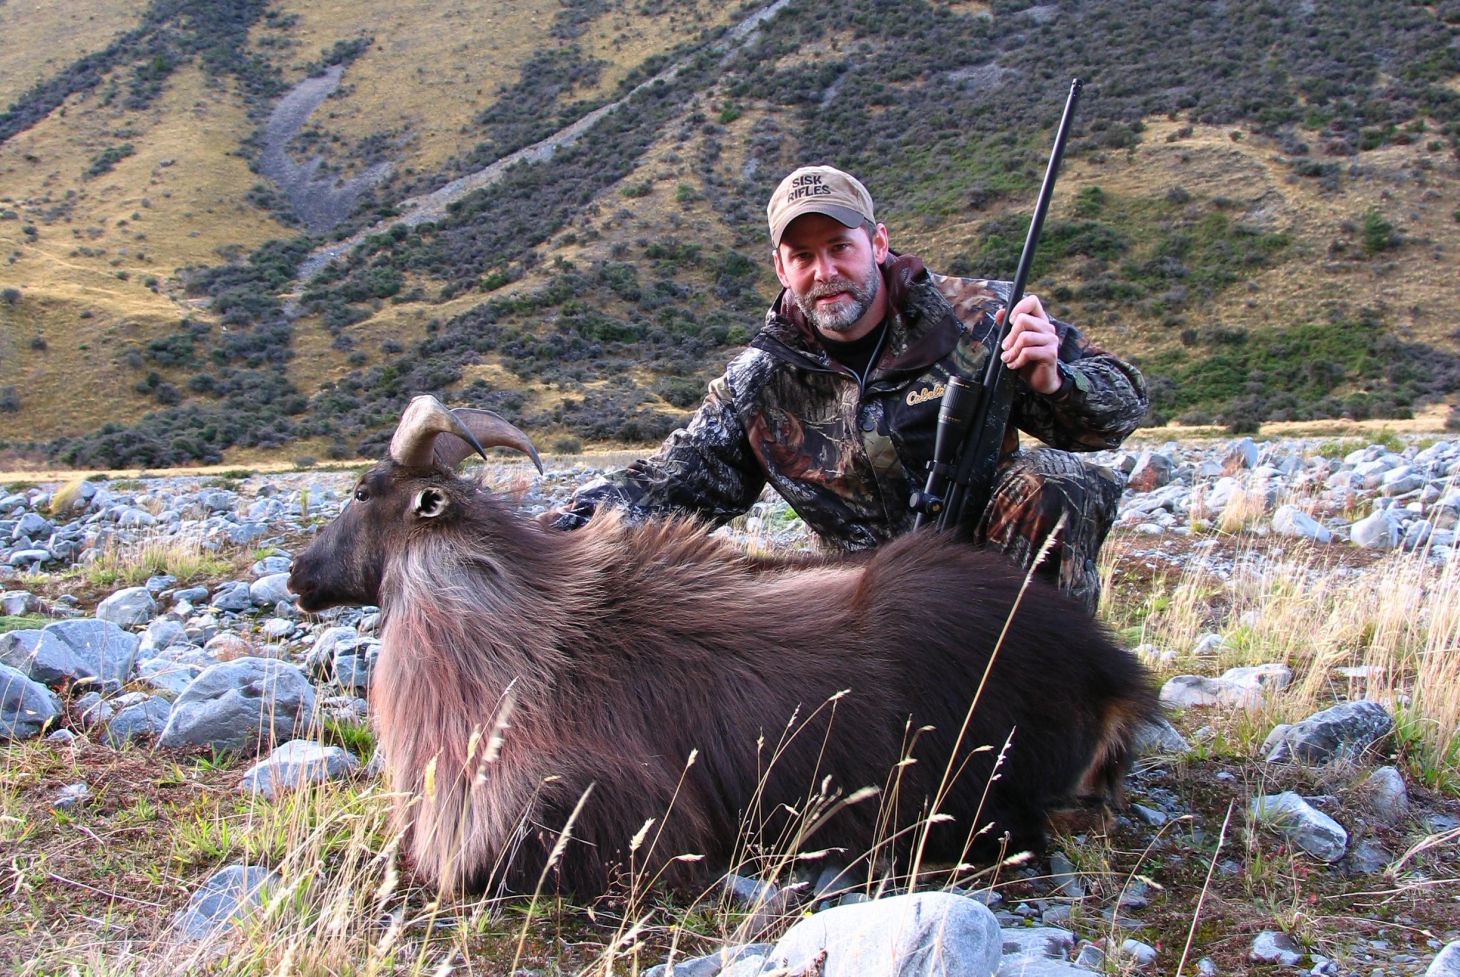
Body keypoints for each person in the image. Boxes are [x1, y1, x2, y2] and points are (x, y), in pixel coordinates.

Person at [550, 164, 1147, 613]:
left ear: (878, 244)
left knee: (1062, 481)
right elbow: (668, 483)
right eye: (803, 256)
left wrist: (1056, 381)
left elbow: (1122, 406)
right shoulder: (759, 380)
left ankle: (1047, 705)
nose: (825, 271)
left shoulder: (981, 314)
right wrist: (547, 532)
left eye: (840, 247)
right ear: (782, 269)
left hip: (991, 562)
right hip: (860, 593)